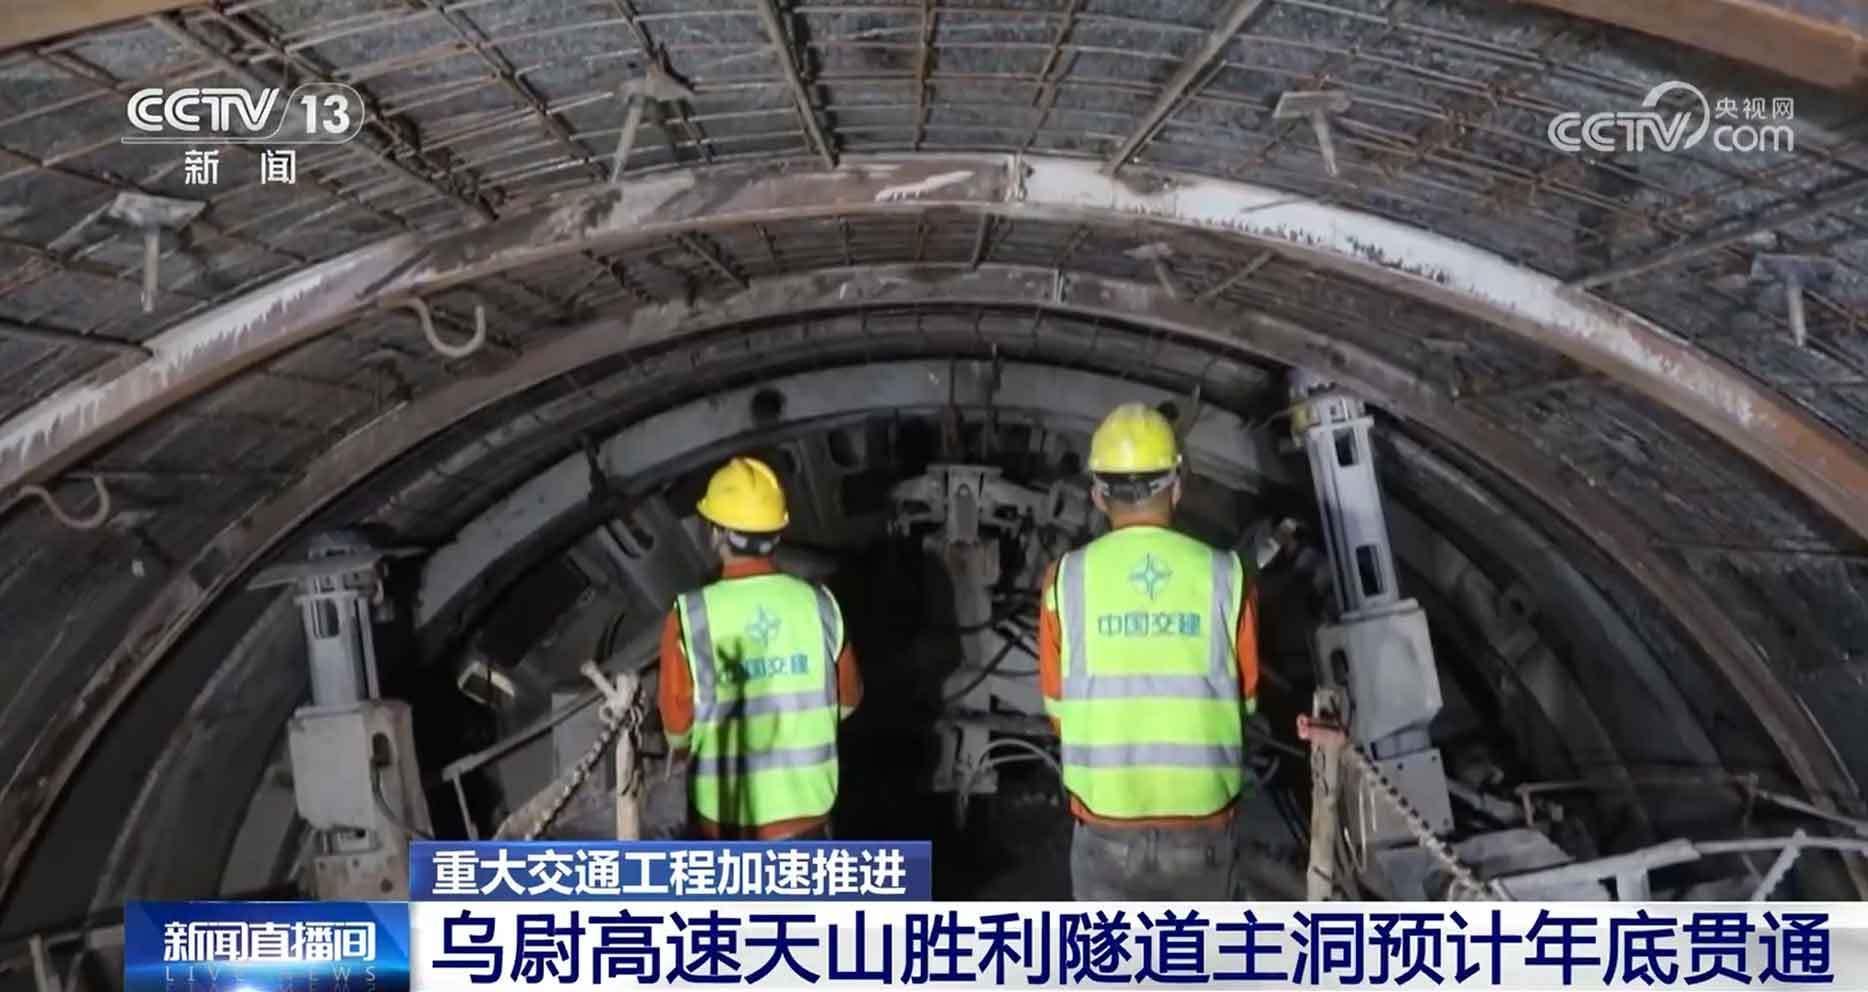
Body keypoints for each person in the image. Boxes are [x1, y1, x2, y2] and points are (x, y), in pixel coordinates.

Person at [1038, 403, 1260, 900]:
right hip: (1202, 828)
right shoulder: (1226, 575)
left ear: (1098, 494)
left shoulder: (1064, 580)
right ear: (1177, 486)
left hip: (1105, 827)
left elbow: (1058, 710)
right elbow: (1244, 701)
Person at [658, 456, 862, 839]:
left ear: (717, 533)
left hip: (724, 828)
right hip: (808, 828)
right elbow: (848, 701)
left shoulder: (689, 617)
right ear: (777, 534)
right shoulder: (820, 605)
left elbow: (677, 731)